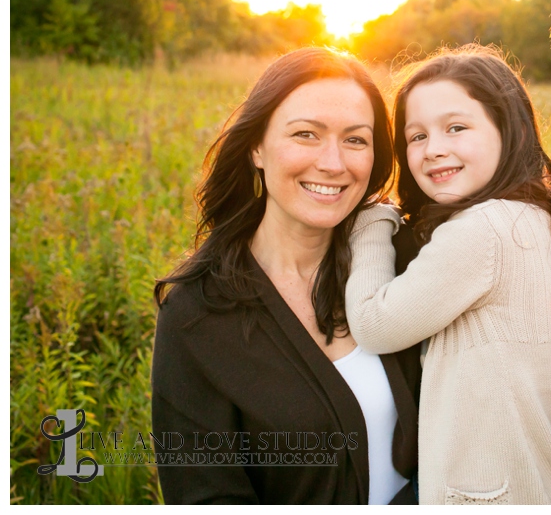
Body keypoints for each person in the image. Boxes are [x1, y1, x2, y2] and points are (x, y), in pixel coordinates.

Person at [151, 47, 421, 504]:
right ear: (256, 146)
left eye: (355, 140)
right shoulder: (196, 314)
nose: (333, 163)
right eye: (306, 134)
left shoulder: (403, 262)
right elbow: (207, 498)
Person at [344, 45, 551, 504]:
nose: (434, 149)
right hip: (539, 482)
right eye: (416, 136)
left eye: (456, 128)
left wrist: (370, 223)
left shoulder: (484, 229)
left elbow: (374, 324)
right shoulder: (525, 217)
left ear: (508, 129)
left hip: (489, 494)